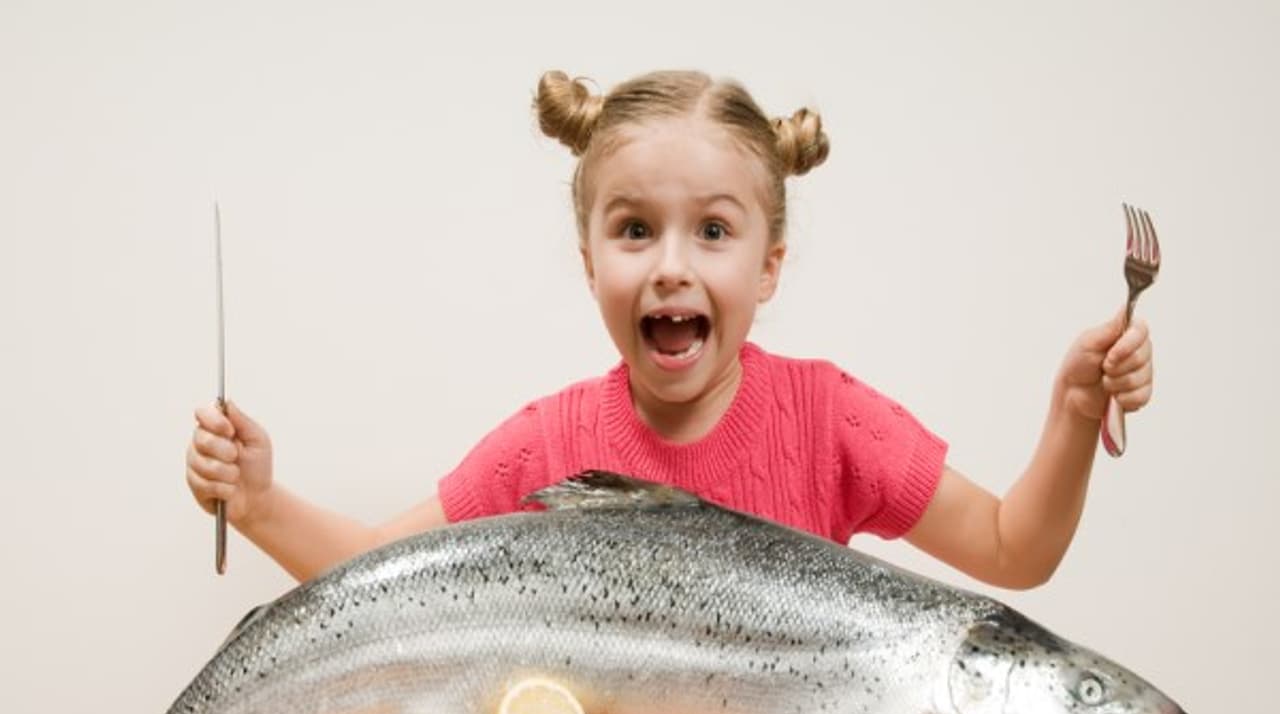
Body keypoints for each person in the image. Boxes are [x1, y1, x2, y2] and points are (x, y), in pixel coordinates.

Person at [185, 69, 1154, 592]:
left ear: (769, 265)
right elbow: (375, 577)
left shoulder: (829, 421)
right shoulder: (546, 445)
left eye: (714, 232)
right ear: (588, 261)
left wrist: (1073, 416)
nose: (671, 266)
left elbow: (1011, 550)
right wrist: (259, 504)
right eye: (635, 229)